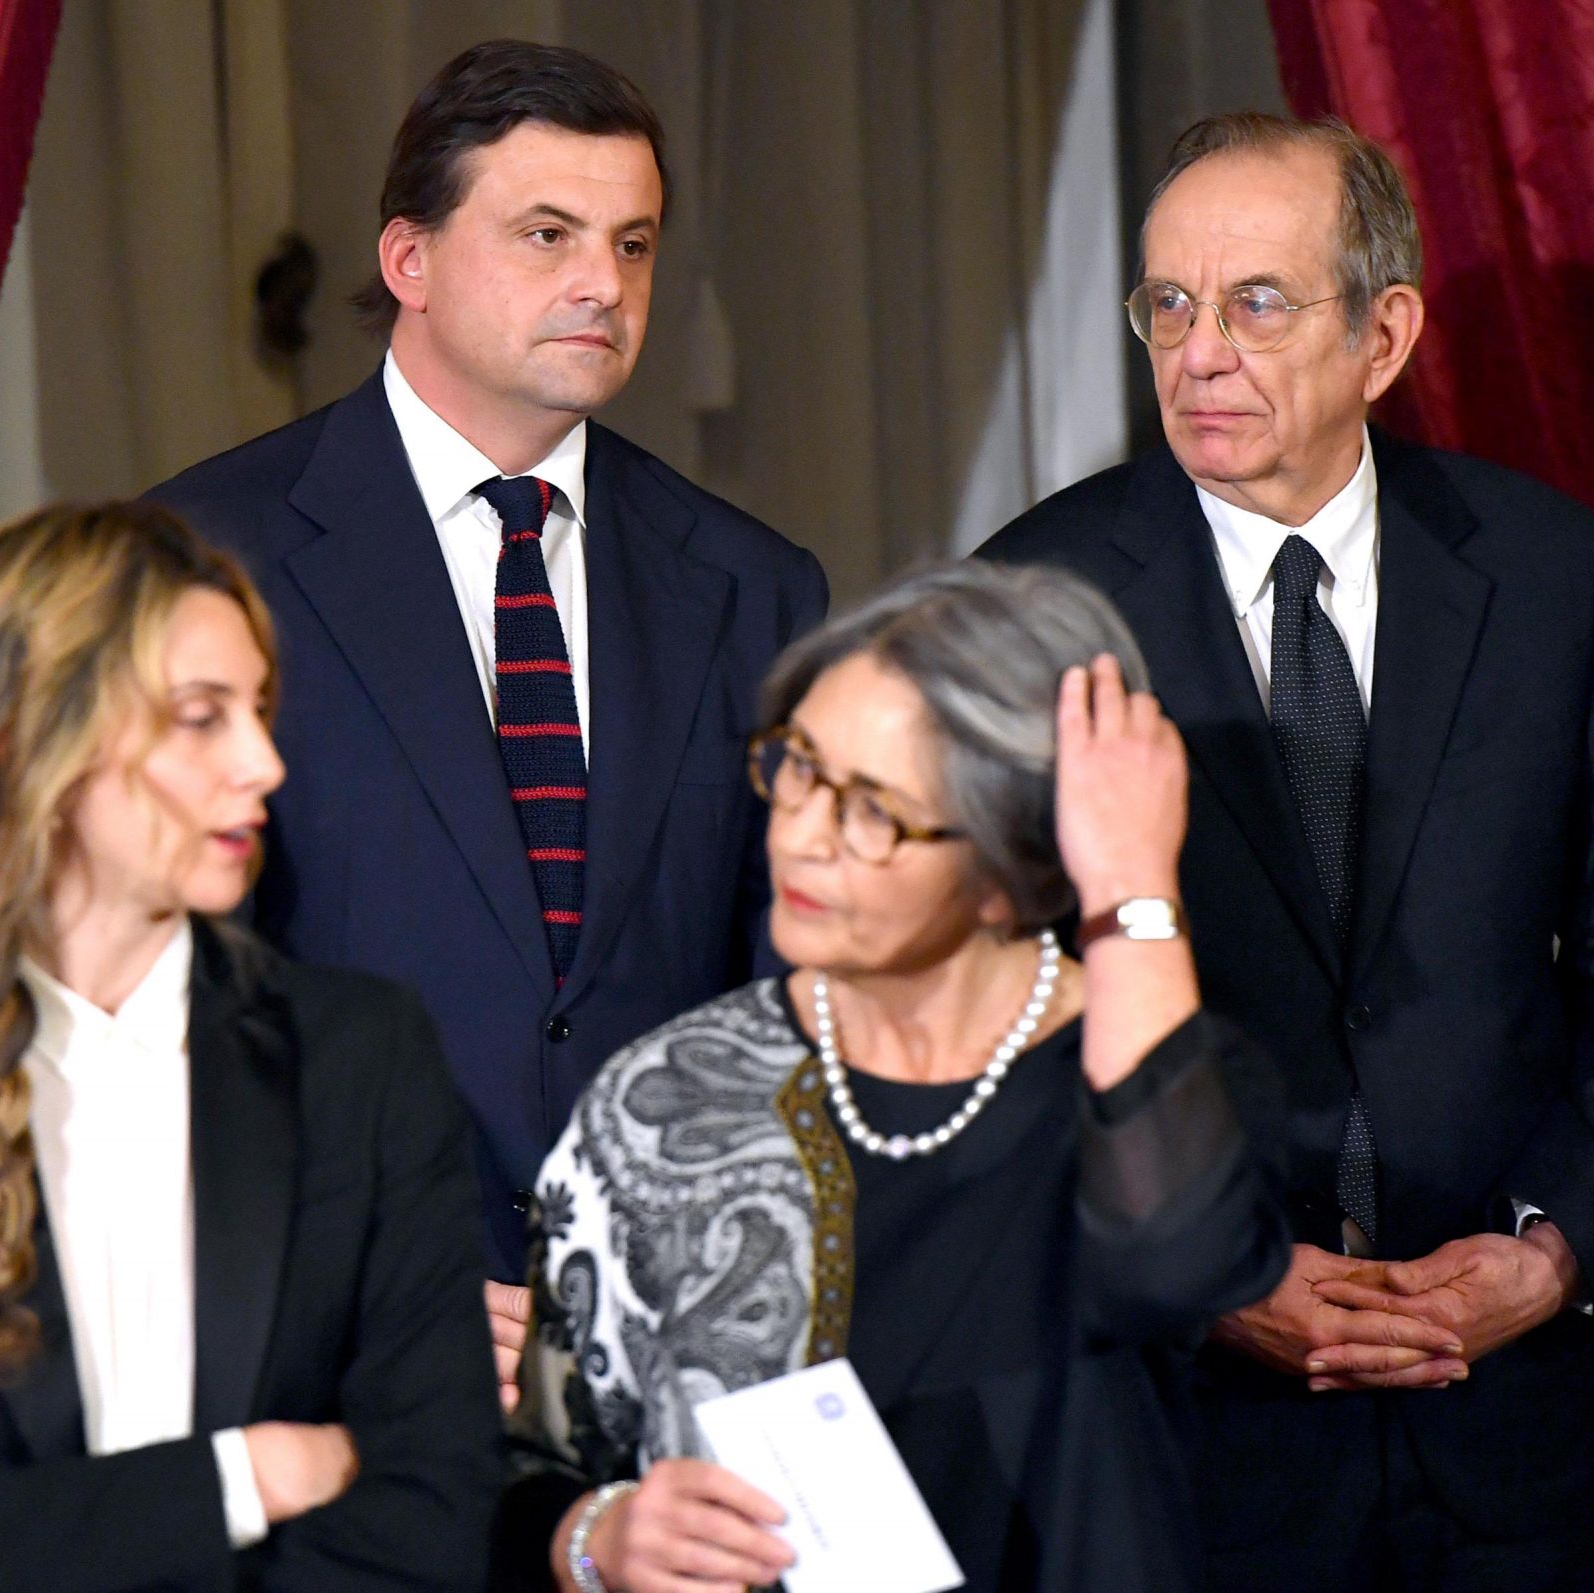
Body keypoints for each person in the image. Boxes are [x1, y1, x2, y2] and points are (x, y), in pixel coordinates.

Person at [979, 112, 1594, 1591]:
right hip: (1200, 1448)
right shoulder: (1031, 600)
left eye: (1255, 303)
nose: (1199, 354)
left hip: (1528, 1437)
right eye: (1168, 305)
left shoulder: (1555, 576)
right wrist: (1207, 1270)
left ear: (1383, 336)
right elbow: (989, 1021)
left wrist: (1554, 1249)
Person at [148, 37, 830, 1352]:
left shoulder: (756, 587)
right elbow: (168, 996)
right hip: (342, 1340)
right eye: (547, 235)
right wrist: (358, 1286)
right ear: (408, 260)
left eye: (633, 245)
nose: (603, 285)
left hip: (675, 1331)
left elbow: (785, 988)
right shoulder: (201, 557)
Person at [494, 562, 1291, 1593]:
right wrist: (595, 1537)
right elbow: (529, 1474)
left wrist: (1131, 886)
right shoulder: (668, 1098)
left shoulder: (1159, 1081)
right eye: (797, 768)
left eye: (874, 811)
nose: (800, 835)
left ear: (1011, 869)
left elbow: (1174, 1264)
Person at [0, 504, 501, 1593]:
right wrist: (257, 1471)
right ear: (29, 739)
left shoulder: (361, 1056)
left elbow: (433, 1525)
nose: (263, 764)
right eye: (201, 717)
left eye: (258, 711)